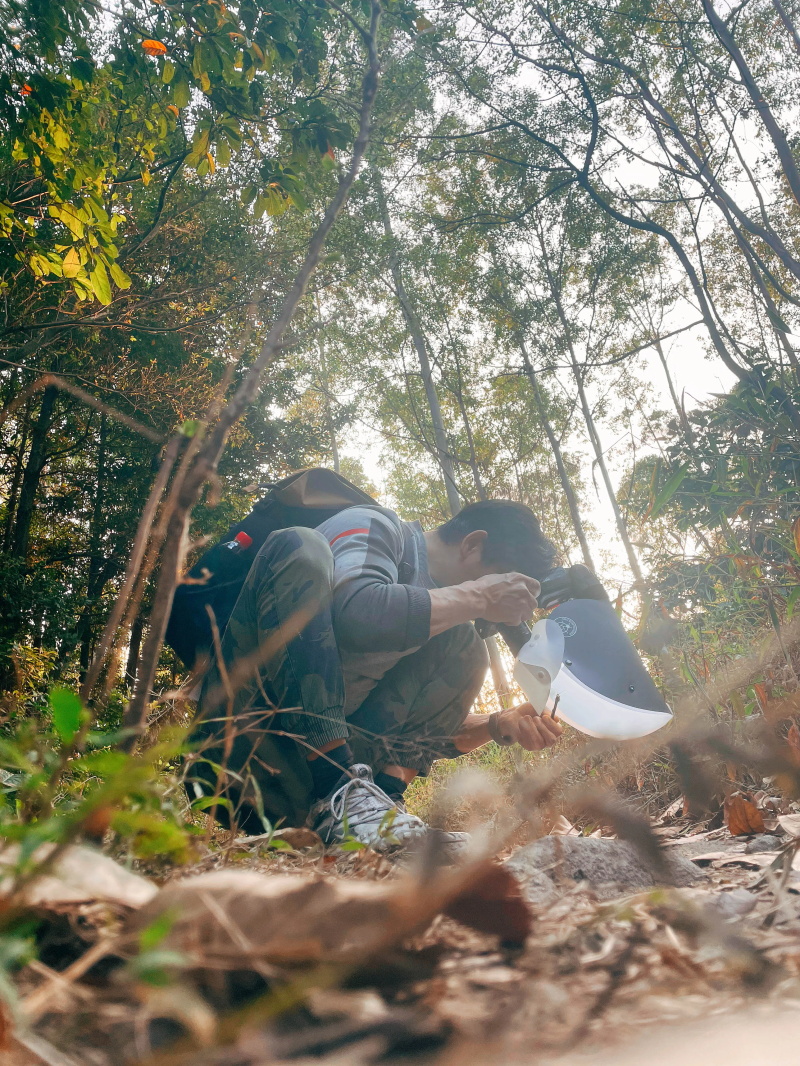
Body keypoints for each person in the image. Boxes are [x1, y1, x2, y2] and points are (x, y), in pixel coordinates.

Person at [191, 498, 563, 850]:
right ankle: (338, 786)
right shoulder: (377, 528)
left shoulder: (446, 623)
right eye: (503, 582)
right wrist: (480, 597)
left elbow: (423, 733)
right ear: (473, 545)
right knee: (298, 544)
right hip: (240, 753)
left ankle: (378, 809)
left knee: (465, 644)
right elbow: (359, 616)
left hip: (303, 794)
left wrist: (499, 723)